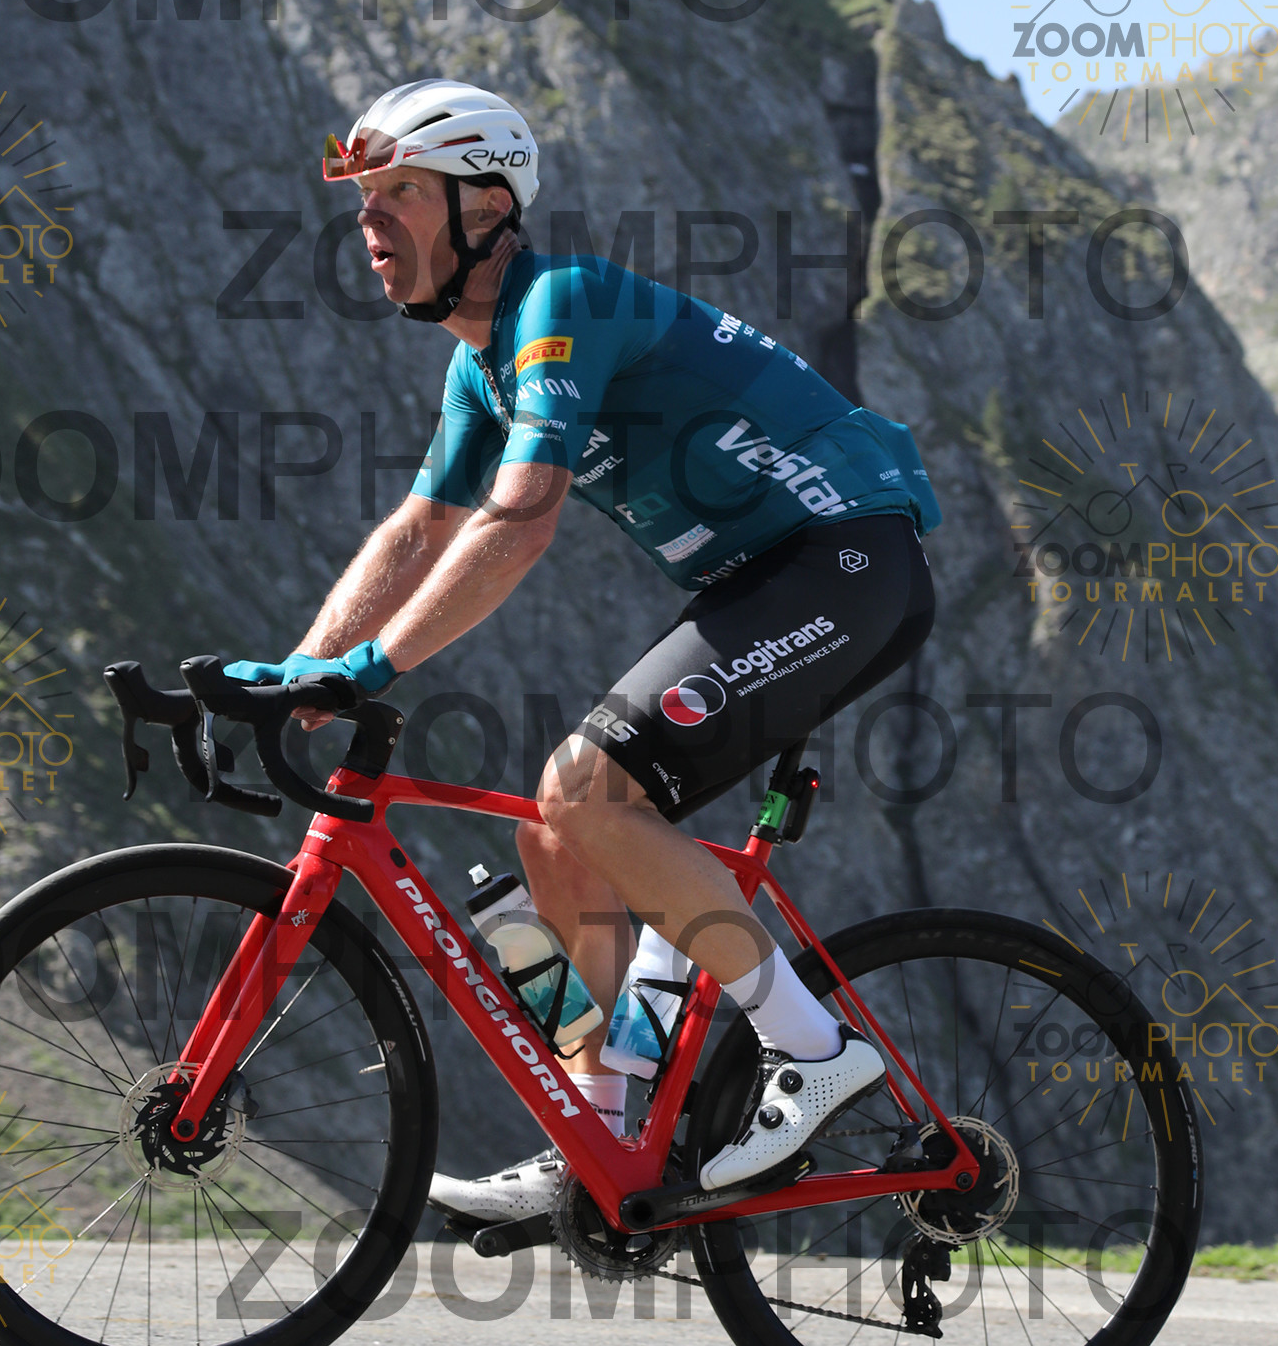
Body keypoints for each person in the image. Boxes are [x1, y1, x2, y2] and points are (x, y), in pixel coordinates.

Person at [230, 78, 940, 1221]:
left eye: (400, 192)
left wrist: (373, 669)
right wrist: (303, 665)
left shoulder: (559, 303)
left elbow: (518, 521)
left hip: (844, 560)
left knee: (585, 790)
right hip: (761, 583)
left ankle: (814, 1048)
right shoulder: (479, 367)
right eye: (364, 199)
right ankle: (602, 1131)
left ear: (485, 207)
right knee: (553, 839)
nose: (369, 220)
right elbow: (419, 528)